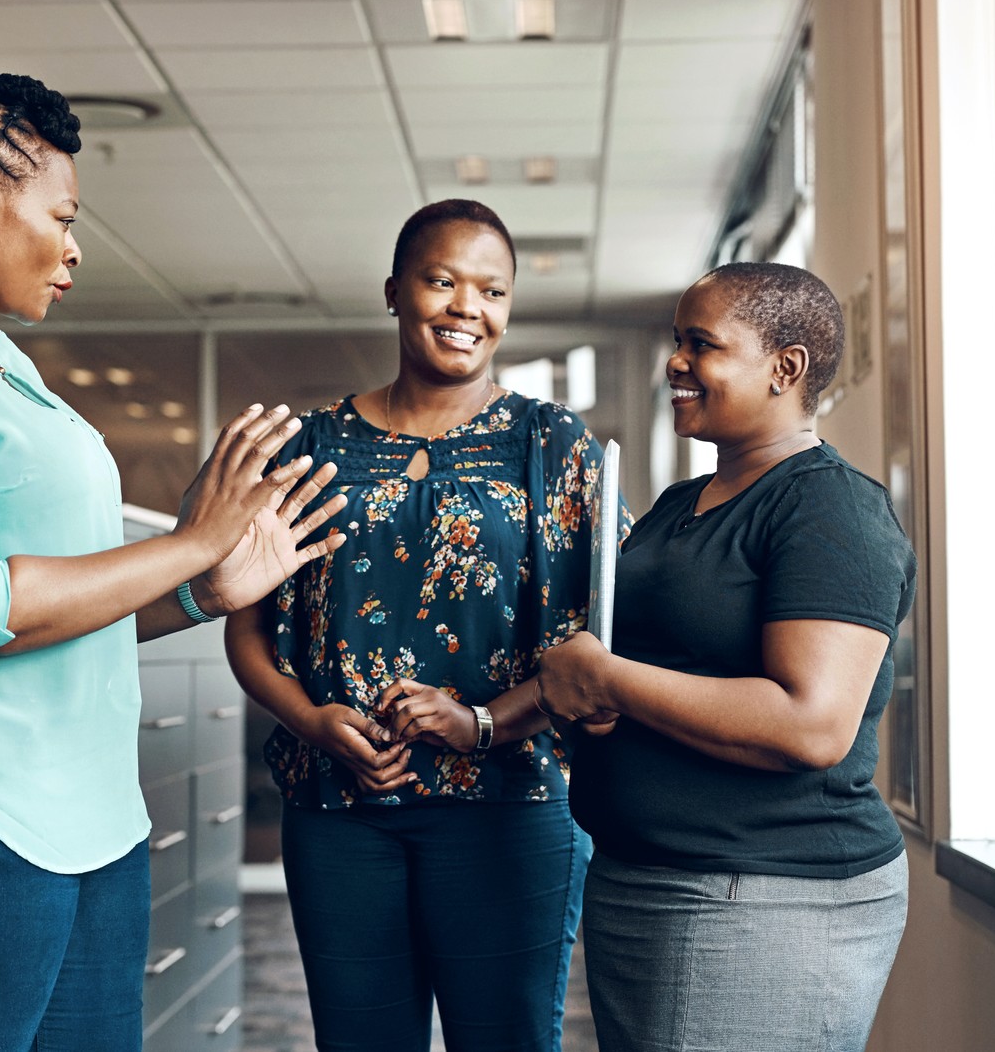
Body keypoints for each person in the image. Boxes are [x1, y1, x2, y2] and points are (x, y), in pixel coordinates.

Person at [0, 71, 348, 1052]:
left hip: (91, 805)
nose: (75, 244)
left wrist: (200, 587)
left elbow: (66, 602)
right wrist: (189, 539)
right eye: (63, 213)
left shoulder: (8, 366)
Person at [224, 200, 621, 1052]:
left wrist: (481, 723)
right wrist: (311, 723)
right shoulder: (311, 447)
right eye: (441, 281)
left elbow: (602, 647)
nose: (466, 308)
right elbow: (247, 630)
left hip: (510, 807)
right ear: (395, 292)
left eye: (492, 290)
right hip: (338, 806)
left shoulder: (552, 446)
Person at [535, 261, 916, 1052]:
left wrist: (609, 680)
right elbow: (650, 670)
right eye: (676, 341)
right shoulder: (681, 504)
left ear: (786, 368)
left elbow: (810, 726)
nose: (675, 362)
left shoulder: (830, 507)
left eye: (701, 344)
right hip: (645, 875)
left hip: (764, 891)